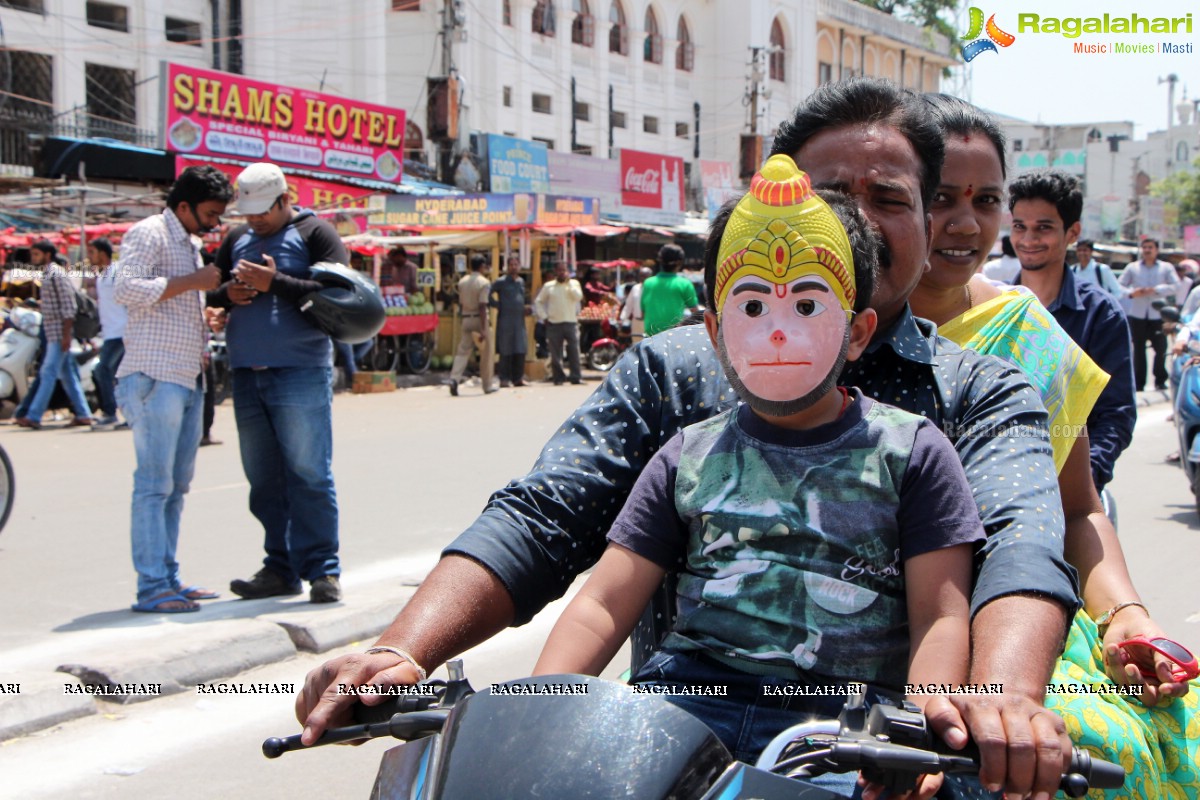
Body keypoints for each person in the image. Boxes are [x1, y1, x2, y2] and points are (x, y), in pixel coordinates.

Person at [296, 78, 1077, 800]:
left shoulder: (981, 392)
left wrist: (996, 701)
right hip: (660, 761)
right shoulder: (671, 377)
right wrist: (406, 650)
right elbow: (546, 515)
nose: (854, 221)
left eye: (889, 197)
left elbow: (1022, 548)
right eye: (826, 196)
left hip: (869, 769)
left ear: (926, 217)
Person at [536, 161, 983, 791]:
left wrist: (915, 726)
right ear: (716, 333)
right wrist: (541, 706)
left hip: (840, 729)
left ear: (856, 333)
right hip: (684, 709)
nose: (777, 329)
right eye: (751, 305)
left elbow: (940, 615)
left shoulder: (913, 452)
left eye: (805, 303)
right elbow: (604, 603)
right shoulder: (685, 455)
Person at [913, 93, 1199, 800]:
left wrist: (1128, 616)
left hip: (1025, 624)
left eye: (986, 201)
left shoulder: (1029, 335)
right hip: (883, 635)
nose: (964, 222)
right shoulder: (819, 332)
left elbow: (1077, 511)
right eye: (939, 195)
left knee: (1137, 747)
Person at [212, 162, 346, 604]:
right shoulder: (236, 239)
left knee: (308, 474)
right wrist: (225, 297)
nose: (254, 220)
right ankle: (279, 567)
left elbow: (339, 294)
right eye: (247, 212)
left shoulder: (315, 234)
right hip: (247, 374)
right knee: (264, 480)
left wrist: (276, 282)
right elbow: (213, 287)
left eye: (263, 211)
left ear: (285, 200)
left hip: (300, 372)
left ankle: (323, 571)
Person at [113, 165, 231, 612]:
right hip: (154, 375)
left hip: (185, 376)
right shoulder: (149, 233)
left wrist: (204, 314)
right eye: (210, 212)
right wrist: (194, 283)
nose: (215, 222)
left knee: (176, 485)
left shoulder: (190, 243)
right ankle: (151, 587)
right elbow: (126, 289)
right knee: (154, 485)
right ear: (184, 206)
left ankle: (168, 577)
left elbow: (170, 303)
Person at [1006, 171, 1137, 493]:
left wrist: (1084, 483)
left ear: (1073, 233)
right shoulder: (991, 308)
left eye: (1044, 228)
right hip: (996, 489)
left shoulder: (1100, 315)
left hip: (1071, 494)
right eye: (1020, 226)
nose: (1028, 239)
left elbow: (1116, 414)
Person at [15, 240, 94, 429]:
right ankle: (84, 414)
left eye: (36, 254)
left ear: (47, 255)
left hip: (58, 334)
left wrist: (66, 335)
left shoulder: (56, 274)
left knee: (48, 373)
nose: (33, 258)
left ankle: (34, 415)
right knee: (68, 376)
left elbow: (69, 307)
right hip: (53, 333)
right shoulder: (48, 274)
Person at [1119, 238, 1178, 392]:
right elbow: (1119, 286)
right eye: (1144, 247)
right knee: (1138, 350)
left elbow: (1175, 286)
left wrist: (1157, 290)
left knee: (1160, 348)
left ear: (1156, 250)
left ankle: (1160, 379)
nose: (1147, 250)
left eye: (1150, 247)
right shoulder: (1133, 267)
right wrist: (1132, 293)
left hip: (1158, 315)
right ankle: (1139, 383)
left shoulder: (1166, 267)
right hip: (1138, 313)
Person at [88, 238, 126, 427]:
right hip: (110, 333)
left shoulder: (117, 272)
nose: (89, 256)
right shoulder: (102, 276)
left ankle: (110, 412)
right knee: (119, 375)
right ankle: (126, 414)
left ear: (103, 254)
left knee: (103, 370)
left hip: (121, 333)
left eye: (92, 252)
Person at [448, 253, 494, 396]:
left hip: (466, 318)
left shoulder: (462, 281)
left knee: (462, 351)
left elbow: (461, 303)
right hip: (480, 319)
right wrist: (483, 329)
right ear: (482, 266)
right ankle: (487, 385)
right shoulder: (484, 283)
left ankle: (454, 378)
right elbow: (482, 305)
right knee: (486, 354)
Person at [534, 261, 583, 385]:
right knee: (555, 353)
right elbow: (538, 301)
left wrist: (569, 284)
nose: (562, 272)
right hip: (554, 323)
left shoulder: (574, 284)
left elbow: (578, 297)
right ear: (555, 271)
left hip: (571, 322)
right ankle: (559, 377)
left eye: (564, 270)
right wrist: (544, 316)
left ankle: (575, 376)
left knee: (574, 350)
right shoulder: (549, 286)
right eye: (560, 270)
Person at [641, 243, 699, 335]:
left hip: (650, 339)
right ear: (680, 262)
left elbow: (643, 313)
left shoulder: (648, 283)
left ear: (660, 260)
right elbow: (696, 315)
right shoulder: (685, 284)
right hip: (673, 338)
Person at [489, 255, 529, 388]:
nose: (513, 267)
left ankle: (518, 378)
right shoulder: (501, 281)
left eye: (515, 264)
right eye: (511, 264)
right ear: (507, 267)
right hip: (505, 321)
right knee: (506, 350)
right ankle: (504, 379)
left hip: (519, 320)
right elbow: (488, 293)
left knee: (520, 348)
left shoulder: (521, 282)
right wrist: (497, 305)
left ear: (519, 266)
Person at [619, 266, 653, 340]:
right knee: (636, 346)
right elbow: (628, 306)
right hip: (637, 322)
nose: (643, 278)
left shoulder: (655, 289)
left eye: (646, 276)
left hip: (651, 323)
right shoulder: (635, 288)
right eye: (641, 276)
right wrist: (623, 319)